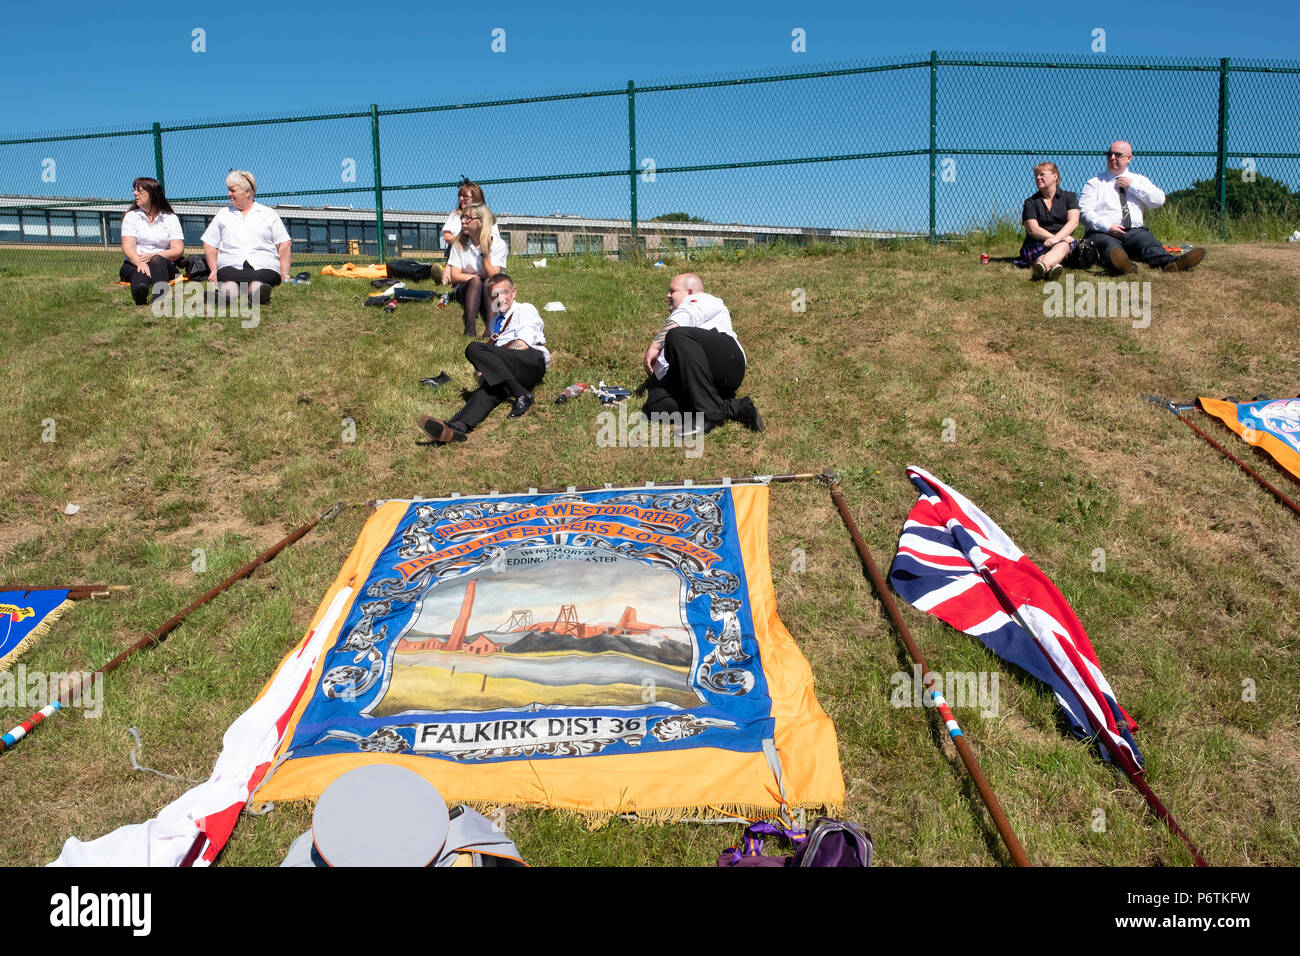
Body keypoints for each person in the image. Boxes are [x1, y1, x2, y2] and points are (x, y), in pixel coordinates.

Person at [416, 273, 548, 444]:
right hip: (512, 374)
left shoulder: (524, 309)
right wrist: (486, 370)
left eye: (504, 292)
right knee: (486, 393)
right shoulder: (495, 325)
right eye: (495, 295)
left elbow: (522, 344)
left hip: (530, 362)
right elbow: (494, 359)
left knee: (474, 348)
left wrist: (491, 362)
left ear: (514, 292)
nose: (500, 298)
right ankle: (456, 428)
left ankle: (522, 394)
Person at [642, 273, 762, 435]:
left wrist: (656, 344)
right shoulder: (674, 326)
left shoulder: (702, 300)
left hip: (726, 362)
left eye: (673, 291)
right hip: (700, 381)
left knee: (677, 335)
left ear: (690, 292)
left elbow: (686, 316)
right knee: (655, 405)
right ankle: (730, 407)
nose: (667, 295)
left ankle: (708, 414)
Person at [1079, 141, 1204, 274]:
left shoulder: (1139, 180)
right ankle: (1123, 265)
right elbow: (1084, 212)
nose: (1112, 158)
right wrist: (1107, 227)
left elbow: (1159, 200)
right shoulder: (1094, 183)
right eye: (1109, 154)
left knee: (1148, 243)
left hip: (1134, 231)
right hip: (1103, 232)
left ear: (1129, 158)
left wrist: (1132, 187)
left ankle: (1171, 263)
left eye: (1117, 154)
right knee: (1109, 246)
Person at [201, 170, 292, 305]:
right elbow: (209, 243)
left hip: (264, 265)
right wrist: (214, 270)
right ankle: (225, 297)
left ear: (247, 192)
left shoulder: (268, 214)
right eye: (228, 190)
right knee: (230, 282)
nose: (229, 194)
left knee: (257, 282)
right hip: (231, 265)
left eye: (233, 190)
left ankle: (257, 295)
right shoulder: (223, 214)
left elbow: (284, 243)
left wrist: (284, 273)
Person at [445, 202, 507, 336]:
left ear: (481, 222)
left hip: (491, 291)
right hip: (466, 289)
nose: (462, 221)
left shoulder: (498, 244)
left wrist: (485, 253)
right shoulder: (458, 243)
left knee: (488, 282)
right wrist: (476, 278)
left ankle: (491, 329)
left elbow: (493, 275)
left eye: (467, 218)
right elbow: (455, 276)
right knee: (476, 282)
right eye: (462, 217)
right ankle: (469, 328)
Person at [119, 177, 184, 305]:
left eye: (140, 191)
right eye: (134, 190)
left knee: (157, 260)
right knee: (140, 273)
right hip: (134, 262)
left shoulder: (170, 218)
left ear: (153, 194)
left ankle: (159, 294)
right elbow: (128, 247)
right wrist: (139, 262)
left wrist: (153, 255)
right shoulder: (131, 216)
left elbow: (178, 249)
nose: (135, 193)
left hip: (162, 264)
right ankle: (140, 296)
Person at [1017, 162, 1079, 280]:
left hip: (1062, 242)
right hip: (1037, 242)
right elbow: (1032, 229)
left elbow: (1073, 222)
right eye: (1036, 176)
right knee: (1063, 244)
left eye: (1042, 174)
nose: (1038, 178)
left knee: (1063, 246)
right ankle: (1049, 267)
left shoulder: (1069, 197)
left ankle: (1042, 266)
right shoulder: (1030, 202)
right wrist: (1056, 238)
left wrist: (1057, 239)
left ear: (1055, 176)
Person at [441, 178, 486, 251]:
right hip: (457, 250)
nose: (461, 198)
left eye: (466, 196)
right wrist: (460, 244)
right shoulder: (455, 215)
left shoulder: (486, 215)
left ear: (475, 197)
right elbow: (447, 235)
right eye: (460, 196)